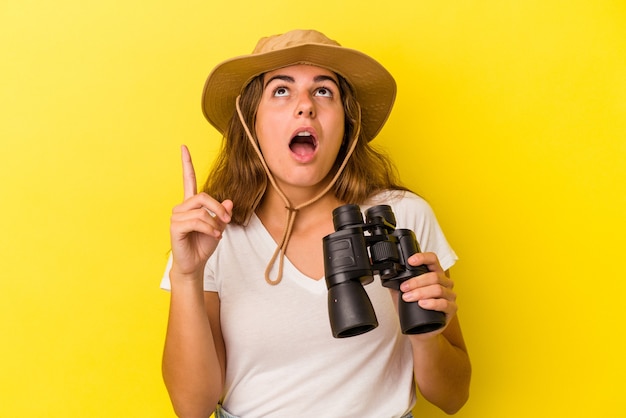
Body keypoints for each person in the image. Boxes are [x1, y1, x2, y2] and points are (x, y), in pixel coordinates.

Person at [161, 29, 471, 418]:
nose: (305, 106)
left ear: (347, 124)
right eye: (281, 91)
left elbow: (454, 396)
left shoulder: (403, 218)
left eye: (324, 91)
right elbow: (192, 408)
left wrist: (425, 336)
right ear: (250, 120)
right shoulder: (214, 231)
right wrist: (187, 276)